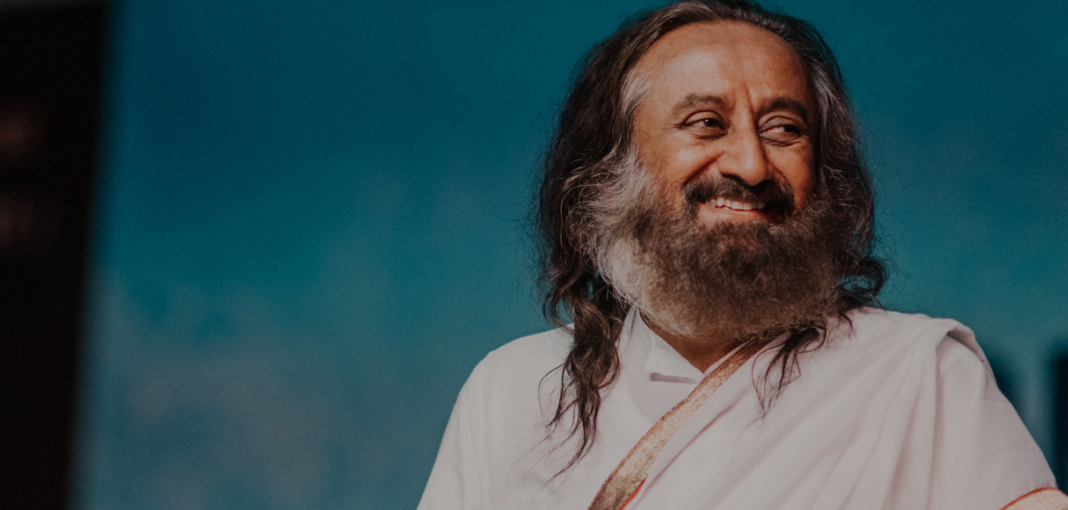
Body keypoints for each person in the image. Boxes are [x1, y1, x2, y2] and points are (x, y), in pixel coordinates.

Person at [417, 1, 1065, 509]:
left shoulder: (922, 376)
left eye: (784, 130)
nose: (751, 165)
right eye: (706, 123)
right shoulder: (512, 391)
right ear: (612, 169)